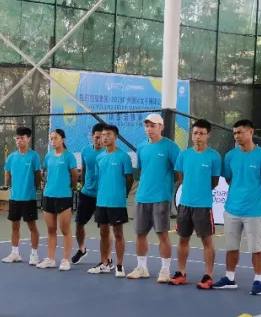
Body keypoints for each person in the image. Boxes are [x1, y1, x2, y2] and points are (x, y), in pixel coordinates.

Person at [213, 119, 261, 294]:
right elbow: (229, 178)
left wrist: (253, 195)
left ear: (251, 132)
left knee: (256, 248)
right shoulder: (230, 156)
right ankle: (229, 278)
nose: (237, 136)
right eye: (234, 133)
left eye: (240, 132)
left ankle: (258, 281)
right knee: (231, 246)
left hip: (253, 211)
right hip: (231, 210)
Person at [128, 114, 180, 282]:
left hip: (161, 198)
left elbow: (179, 173)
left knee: (162, 234)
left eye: (153, 126)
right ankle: (141, 267)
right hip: (142, 197)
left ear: (161, 127)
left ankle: (165, 270)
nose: (149, 129)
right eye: (147, 126)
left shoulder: (171, 147)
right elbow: (142, 170)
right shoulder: (141, 147)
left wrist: (165, 187)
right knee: (140, 234)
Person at [172, 119, 222, 289]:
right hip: (184, 204)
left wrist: (200, 191)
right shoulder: (183, 155)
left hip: (203, 206)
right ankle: (181, 273)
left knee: (206, 241)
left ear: (208, 135)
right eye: (195, 133)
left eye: (201, 133)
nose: (198, 136)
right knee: (182, 239)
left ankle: (208, 275)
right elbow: (180, 177)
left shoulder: (214, 156)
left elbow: (214, 181)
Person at [88, 125, 132, 276]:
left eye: (108, 134)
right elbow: (100, 178)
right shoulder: (99, 157)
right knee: (103, 233)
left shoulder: (124, 157)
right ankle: (104, 263)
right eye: (103, 135)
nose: (104, 137)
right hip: (101, 202)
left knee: (118, 234)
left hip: (117, 202)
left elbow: (129, 179)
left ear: (116, 137)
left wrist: (122, 194)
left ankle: (119, 265)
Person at [38, 128, 79, 271]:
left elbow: (75, 176)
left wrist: (69, 187)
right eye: (51, 138)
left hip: (64, 197)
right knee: (51, 229)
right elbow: (45, 173)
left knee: (65, 230)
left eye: (55, 138)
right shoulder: (48, 156)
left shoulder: (69, 156)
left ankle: (65, 260)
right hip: (48, 196)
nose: (53, 141)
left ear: (63, 139)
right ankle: (50, 259)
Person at [0, 126, 42, 265]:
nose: (19, 141)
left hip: (28, 198)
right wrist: (9, 187)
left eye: (22, 138)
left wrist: (34, 188)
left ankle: (34, 255)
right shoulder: (11, 157)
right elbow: (8, 175)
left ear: (28, 139)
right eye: (17, 138)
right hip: (14, 198)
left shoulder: (34, 156)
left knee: (32, 227)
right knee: (14, 226)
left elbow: (38, 176)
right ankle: (15, 253)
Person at [72, 123, 107, 266]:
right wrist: (83, 186)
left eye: (102, 137)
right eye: (96, 137)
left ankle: (106, 259)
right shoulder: (85, 151)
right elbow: (84, 169)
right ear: (92, 137)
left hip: (103, 196)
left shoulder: (109, 152)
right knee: (79, 225)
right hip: (86, 194)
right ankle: (82, 249)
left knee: (104, 230)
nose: (99, 140)